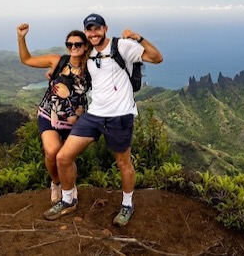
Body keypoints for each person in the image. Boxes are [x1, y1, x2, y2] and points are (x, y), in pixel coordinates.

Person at [43, 13, 163, 225]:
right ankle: (68, 200)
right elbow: (70, 67)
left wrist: (138, 38)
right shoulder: (87, 52)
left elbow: (157, 57)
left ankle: (127, 204)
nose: (93, 33)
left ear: (105, 28)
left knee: (123, 162)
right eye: (89, 29)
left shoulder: (122, 46)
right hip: (94, 115)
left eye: (97, 29)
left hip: (119, 115)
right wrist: (54, 71)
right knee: (62, 157)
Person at [17, 23, 91, 205]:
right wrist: (21, 37)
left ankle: (70, 187)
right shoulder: (58, 61)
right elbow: (26, 60)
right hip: (49, 114)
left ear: (85, 46)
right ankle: (56, 183)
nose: (73, 48)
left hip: (74, 120)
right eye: (70, 44)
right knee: (51, 153)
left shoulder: (91, 67)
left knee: (67, 157)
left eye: (78, 44)